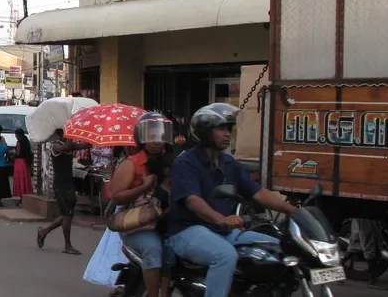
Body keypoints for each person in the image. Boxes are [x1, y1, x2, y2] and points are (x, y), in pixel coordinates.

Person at [167, 103, 296, 297]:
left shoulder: (228, 162)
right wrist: (221, 219)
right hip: (187, 231)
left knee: (279, 249)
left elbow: (259, 193)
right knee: (225, 255)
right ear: (204, 131)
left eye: (229, 128)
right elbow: (193, 200)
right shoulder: (186, 162)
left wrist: (294, 211)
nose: (227, 133)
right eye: (221, 128)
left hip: (222, 231)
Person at [109, 112, 174, 297]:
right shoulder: (132, 164)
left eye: (160, 136)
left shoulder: (170, 163)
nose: (156, 141)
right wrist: (144, 187)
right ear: (141, 138)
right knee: (153, 250)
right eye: (151, 136)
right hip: (138, 226)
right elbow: (117, 196)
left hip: (165, 221)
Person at [37, 129, 83, 255]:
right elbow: (68, 146)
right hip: (61, 185)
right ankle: (67, 245)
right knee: (67, 214)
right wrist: (72, 133)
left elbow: (83, 146)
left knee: (68, 214)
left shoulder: (67, 145)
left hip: (68, 183)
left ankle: (44, 231)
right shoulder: (55, 146)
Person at [351, 218, 388, 290]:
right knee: (368, 243)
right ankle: (372, 280)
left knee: (356, 244)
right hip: (366, 217)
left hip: (369, 217)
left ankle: (373, 278)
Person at [13, 129, 34, 202]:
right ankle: (25, 196)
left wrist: (13, 153)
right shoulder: (26, 141)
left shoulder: (19, 143)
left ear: (18, 135)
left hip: (19, 162)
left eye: (16, 135)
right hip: (25, 162)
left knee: (20, 180)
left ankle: (21, 196)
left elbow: (18, 153)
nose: (15, 136)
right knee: (25, 179)